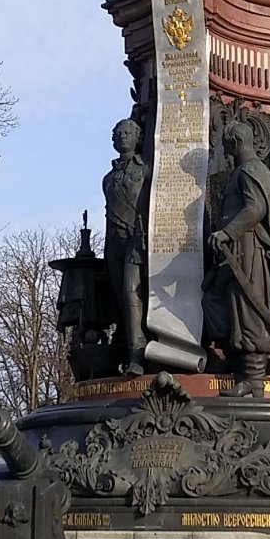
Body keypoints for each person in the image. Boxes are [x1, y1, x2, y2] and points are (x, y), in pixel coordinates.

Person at [202, 122, 270, 397]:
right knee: (213, 299)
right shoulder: (245, 170)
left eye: (226, 146)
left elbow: (255, 208)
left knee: (247, 308)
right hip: (234, 249)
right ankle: (235, 359)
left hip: (247, 248)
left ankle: (253, 376)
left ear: (236, 143)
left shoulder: (251, 170)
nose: (225, 151)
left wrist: (227, 232)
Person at [102, 119, 150, 375]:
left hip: (136, 239)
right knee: (119, 299)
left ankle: (138, 356)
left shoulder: (146, 171)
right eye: (118, 133)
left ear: (138, 137)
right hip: (114, 244)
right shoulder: (107, 178)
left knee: (132, 295)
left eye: (127, 133)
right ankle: (123, 350)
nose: (122, 137)